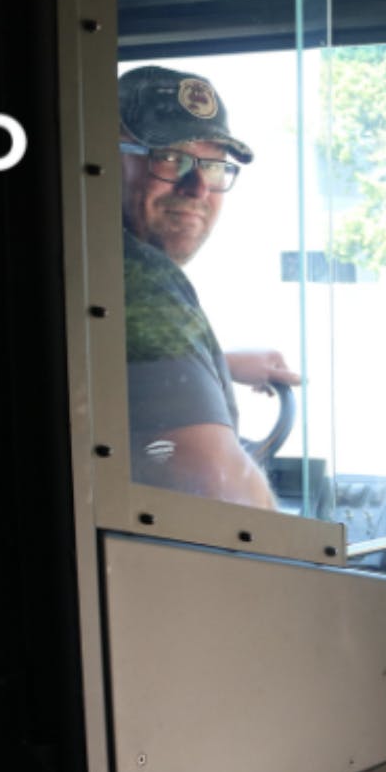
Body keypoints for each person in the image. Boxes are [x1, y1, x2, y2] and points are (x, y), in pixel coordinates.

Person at [118, 65, 299, 508]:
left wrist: (219, 363)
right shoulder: (138, 279)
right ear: (102, 161)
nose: (198, 187)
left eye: (214, 166)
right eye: (169, 158)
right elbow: (221, 486)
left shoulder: (93, 260)